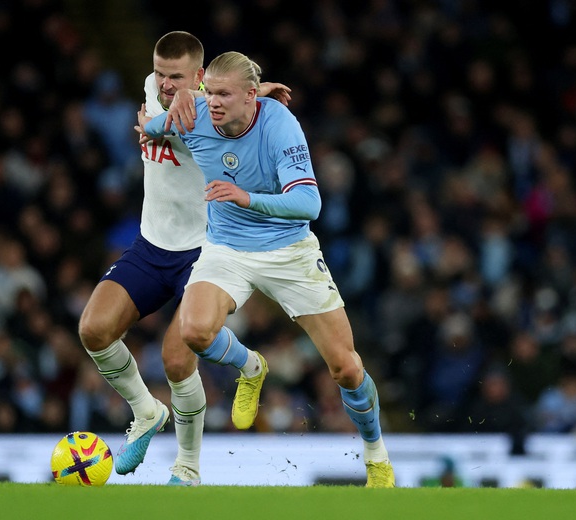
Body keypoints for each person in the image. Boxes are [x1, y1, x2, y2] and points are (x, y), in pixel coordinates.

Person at [142, 51, 395, 487]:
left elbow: (309, 203)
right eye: (209, 92)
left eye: (224, 94)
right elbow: (149, 125)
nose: (213, 102)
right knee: (194, 331)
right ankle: (251, 367)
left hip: (288, 250)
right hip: (226, 249)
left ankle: (376, 456)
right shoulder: (193, 112)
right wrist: (149, 119)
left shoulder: (279, 124)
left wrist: (245, 197)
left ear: (251, 97)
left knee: (346, 369)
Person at [78, 32, 291, 486]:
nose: (165, 83)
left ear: (198, 77)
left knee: (178, 359)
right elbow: (159, 109)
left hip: (206, 250)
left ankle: (188, 467)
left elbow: (234, 117)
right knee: (93, 329)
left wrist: (258, 100)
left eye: (177, 77)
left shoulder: (213, 114)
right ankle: (145, 411)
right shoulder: (152, 91)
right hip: (152, 244)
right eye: (160, 72)